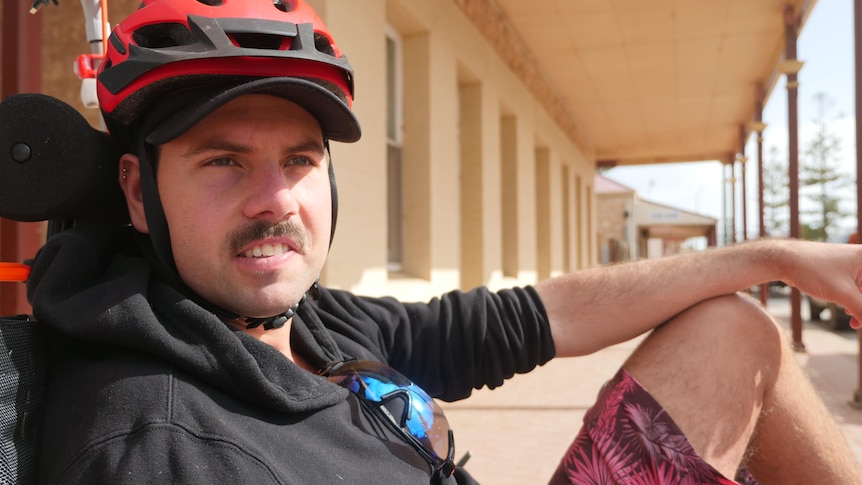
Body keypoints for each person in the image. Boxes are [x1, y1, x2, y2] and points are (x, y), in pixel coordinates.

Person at [27, 0, 862, 483]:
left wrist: (775, 258)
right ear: (140, 193)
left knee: (734, 326)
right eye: (224, 161)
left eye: (300, 160)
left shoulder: (314, 326)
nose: (274, 198)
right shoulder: (163, 441)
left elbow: (528, 316)